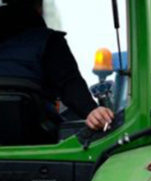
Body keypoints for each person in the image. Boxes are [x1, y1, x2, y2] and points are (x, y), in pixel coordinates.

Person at [0, 0, 113, 137]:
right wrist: (91, 111)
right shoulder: (49, 41)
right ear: (39, 8)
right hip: (38, 140)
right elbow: (69, 84)